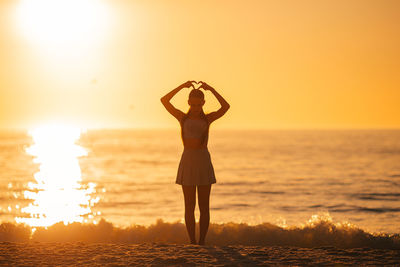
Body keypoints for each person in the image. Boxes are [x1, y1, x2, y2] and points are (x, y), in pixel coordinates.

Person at [160, 80, 230, 245]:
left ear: (203, 103)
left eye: (199, 104)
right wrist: (181, 86)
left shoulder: (208, 119)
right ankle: (192, 242)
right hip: (188, 161)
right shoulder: (182, 118)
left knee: (204, 206)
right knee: (189, 206)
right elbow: (164, 101)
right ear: (189, 103)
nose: (196, 107)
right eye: (193, 104)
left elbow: (226, 107)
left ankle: (202, 241)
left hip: (203, 161)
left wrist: (212, 89)